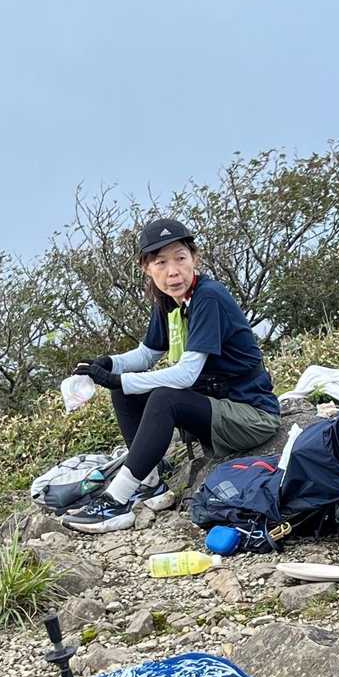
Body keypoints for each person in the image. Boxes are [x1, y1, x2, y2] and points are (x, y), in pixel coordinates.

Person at [63, 217, 280, 533]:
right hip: (214, 406)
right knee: (124, 391)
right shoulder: (169, 300)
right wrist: (107, 364)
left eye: (180, 258)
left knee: (164, 397)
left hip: (251, 415)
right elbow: (147, 355)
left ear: (195, 258)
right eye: (161, 262)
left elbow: (186, 375)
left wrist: (118, 378)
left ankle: (116, 501)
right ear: (146, 268)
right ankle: (149, 484)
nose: (173, 271)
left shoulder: (208, 297)